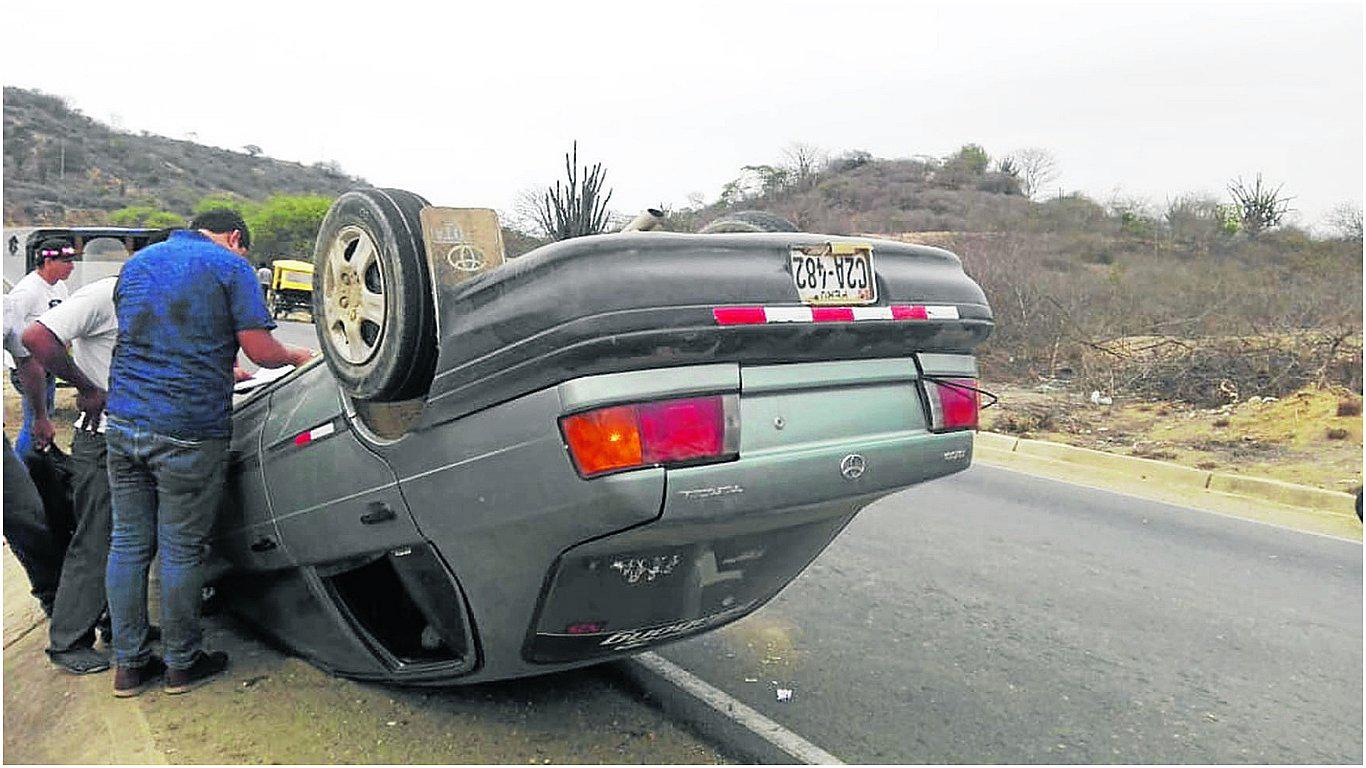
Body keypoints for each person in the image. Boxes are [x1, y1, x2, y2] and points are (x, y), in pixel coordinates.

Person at [104, 210, 313, 698]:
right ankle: (182, 663)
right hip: (188, 428)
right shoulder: (231, 266)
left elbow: (153, 334)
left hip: (126, 421)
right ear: (235, 238)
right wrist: (296, 356)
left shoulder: (138, 263)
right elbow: (261, 350)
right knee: (181, 548)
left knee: (128, 543)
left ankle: (129, 666)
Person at [22, 275, 121, 674]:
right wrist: (87, 387)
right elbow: (35, 337)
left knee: (128, 540)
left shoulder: (152, 296)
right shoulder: (105, 294)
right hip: (101, 437)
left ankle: (121, 624)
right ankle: (69, 640)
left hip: (128, 436)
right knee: (96, 538)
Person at [3, 302, 65, 617]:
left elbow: (25, 359)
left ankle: (58, 603)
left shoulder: (4, 305)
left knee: (29, 517)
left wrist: (40, 415)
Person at [7, 237, 75, 461]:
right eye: (66, 261)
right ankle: (24, 467)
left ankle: (37, 464)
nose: (71, 266)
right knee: (35, 420)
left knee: (45, 416)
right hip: (28, 368)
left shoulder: (60, 287)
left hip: (48, 365)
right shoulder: (27, 291)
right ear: (48, 262)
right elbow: (12, 331)